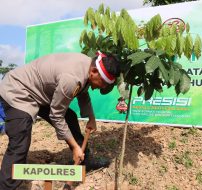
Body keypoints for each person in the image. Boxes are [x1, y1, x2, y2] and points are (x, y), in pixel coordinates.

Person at [0, 51, 120, 190]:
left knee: (70, 118)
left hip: (40, 92)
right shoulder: (71, 78)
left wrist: (91, 118)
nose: (103, 87)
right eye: (104, 83)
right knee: (20, 140)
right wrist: (75, 147)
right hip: (19, 91)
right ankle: (7, 186)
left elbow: (83, 92)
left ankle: (84, 160)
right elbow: (56, 116)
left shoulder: (88, 67)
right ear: (93, 71)